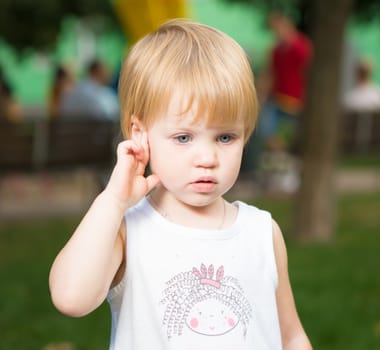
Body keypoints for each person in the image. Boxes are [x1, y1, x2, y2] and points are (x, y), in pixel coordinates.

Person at [49, 19, 312, 350]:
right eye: (184, 137)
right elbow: (70, 298)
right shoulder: (127, 231)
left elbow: (291, 336)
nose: (207, 157)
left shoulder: (262, 232)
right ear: (141, 134)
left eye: (225, 137)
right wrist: (113, 201)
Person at [258, 11, 313, 152]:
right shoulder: (277, 51)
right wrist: (261, 95)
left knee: (287, 134)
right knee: (266, 130)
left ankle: (282, 154)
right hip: (278, 99)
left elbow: (308, 70)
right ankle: (278, 153)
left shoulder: (300, 46)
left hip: (295, 100)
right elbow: (271, 74)